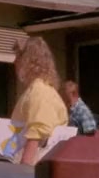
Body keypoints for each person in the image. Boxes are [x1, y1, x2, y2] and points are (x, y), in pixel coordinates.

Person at [10, 36, 69, 166]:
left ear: (28, 60)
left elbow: (37, 132)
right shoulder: (40, 89)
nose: (14, 62)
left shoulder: (39, 91)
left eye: (18, 57)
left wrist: (23, 169)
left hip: (33, 169)